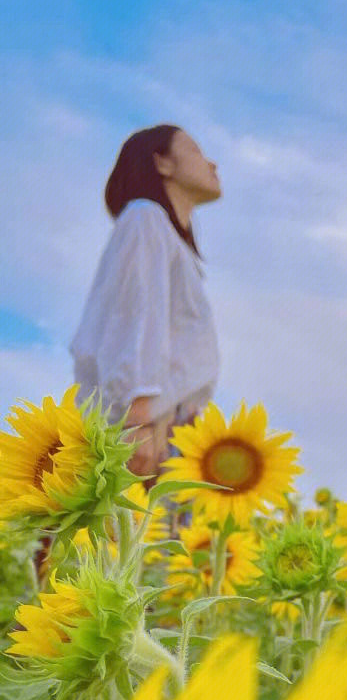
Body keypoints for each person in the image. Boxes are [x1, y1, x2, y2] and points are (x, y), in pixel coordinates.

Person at [70, 125, 222, 478]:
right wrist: (136, 420)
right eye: (197, 151)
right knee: (135, 531)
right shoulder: (145, 217)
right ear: (163, 164)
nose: (212, 164)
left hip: (173, 430)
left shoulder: (168, 239)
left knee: (156, 533)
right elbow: (136, 315)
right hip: (144, 431)